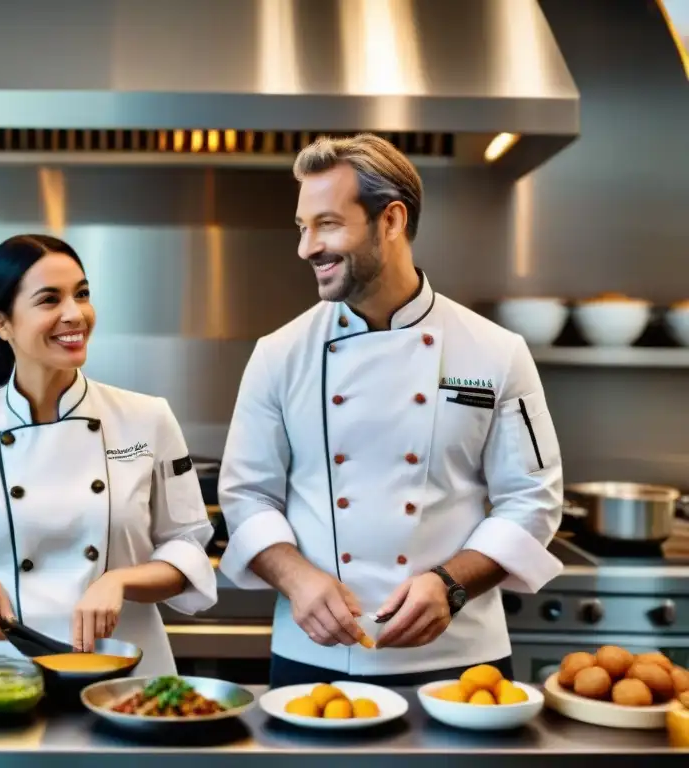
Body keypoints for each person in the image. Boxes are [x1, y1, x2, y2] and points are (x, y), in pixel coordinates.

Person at [218, 134, 564, 688]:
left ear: (392, 220)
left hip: (461, 661)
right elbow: (245, 496)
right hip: (318, 656)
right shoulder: (278, 354)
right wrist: (299, 580)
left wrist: (450, 583)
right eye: (302, 227)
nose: (307, 247)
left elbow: (533, 499)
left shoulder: (496, 351)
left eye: (327, 224)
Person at [0, 234, 217, 676]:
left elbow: (187, 548)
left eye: (82, 294)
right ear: (2, 323)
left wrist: (119, 579)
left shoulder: (148, 418)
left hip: (127, 668)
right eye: (49, 299)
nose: (75, 314)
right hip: (3, 676)